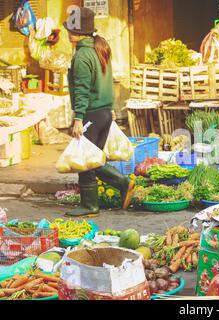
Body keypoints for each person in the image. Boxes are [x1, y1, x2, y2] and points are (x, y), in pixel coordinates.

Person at [63, 8, 134, 217]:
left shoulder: (83, 56)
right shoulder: (99, 49)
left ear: (77, 32)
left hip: (91, 114)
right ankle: (121, 184)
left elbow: (82, 90)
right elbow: (107, 82)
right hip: (103, 113)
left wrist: (78, 119)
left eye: (70, 28)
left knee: (86, 161)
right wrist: (111, 108)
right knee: (94, 158)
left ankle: (91, 204)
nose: (67, 32)